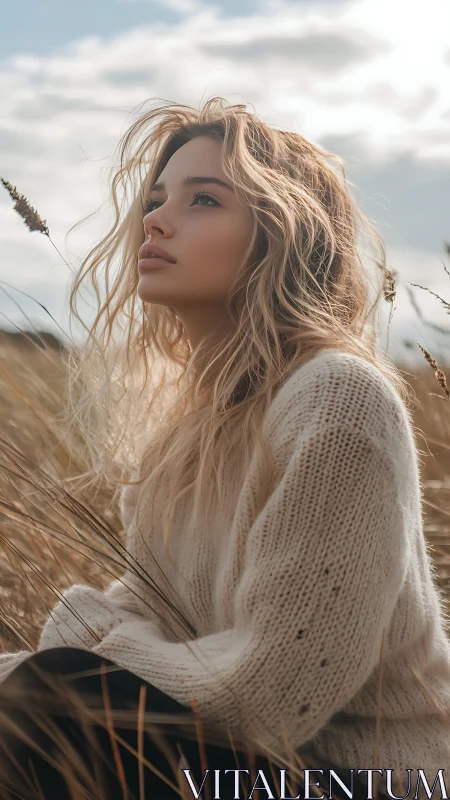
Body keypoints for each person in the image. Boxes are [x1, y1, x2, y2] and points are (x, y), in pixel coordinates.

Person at [0, 95, 449, 800]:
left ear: (281, 233)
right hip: (237, 764)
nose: (155, 218)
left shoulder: (337, 400)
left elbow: (271, 694)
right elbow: (152, 606)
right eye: (155, 197)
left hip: (372, 777)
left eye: (203, 199)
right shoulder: (193, 431)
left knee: (56, 695)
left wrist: (88, 640)